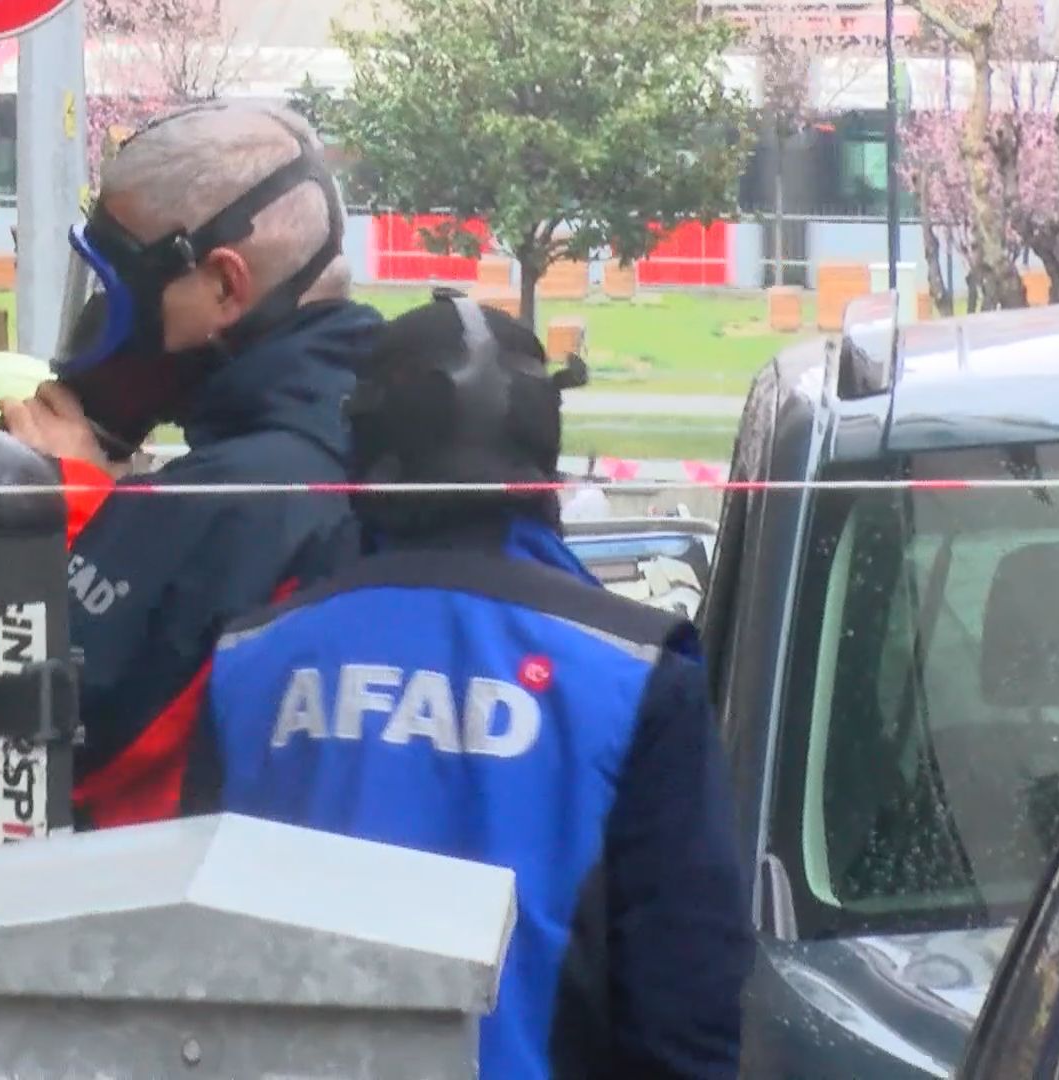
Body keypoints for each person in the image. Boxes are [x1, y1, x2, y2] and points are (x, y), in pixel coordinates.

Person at [183, 292, 752, 1079]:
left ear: (363, 451)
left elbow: (192, 961)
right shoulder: (632, 673)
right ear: (543, 455)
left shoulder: (251, 661)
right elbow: (685, 1011)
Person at [0, 102, 383, 827]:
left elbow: (47, 737)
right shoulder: (369, 428)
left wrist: (70, 505)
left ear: (225, 288)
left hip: (173, 884)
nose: (104, 323)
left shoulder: (242, 497)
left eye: (122, 289)